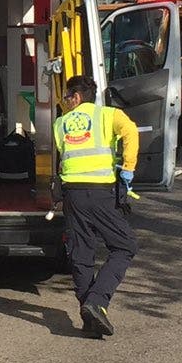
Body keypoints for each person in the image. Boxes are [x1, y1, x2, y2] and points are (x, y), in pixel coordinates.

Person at [54, 74, 139, 339]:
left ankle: (89, 319)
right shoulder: (108, 115)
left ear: (77, 97)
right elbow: (131, 132)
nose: (65, 101)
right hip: (101, 193)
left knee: (81, 253)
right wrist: (128, 168)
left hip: (73, 194)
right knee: (124, 246)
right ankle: (97, 302)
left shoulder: (61, 123)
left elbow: (61, 154)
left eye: (67, 96)